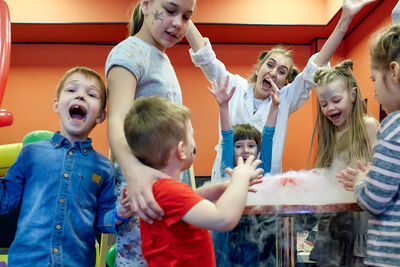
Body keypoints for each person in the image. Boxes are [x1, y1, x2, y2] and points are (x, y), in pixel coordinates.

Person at [185, 0, 377, 181]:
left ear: (285, 82)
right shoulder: (233, 85)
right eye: (270, 65)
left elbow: (315, 67)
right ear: (259, 67)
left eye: (282, 71)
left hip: (266, 187)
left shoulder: (285, 98)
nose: (273, 72)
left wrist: (346, 18)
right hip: (225, 182)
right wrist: (183, 16)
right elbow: (205, 57)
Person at [0, 66, 135, 266]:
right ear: (56, 104)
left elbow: (101, 219)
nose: (80, 96)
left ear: (100, 116)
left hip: (76, 261)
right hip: (26, 261)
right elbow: (5, 200)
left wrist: (120, 214)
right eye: (71, 90)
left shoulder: (104, 168)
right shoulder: (31, 154)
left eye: (91, 94)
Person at [105, 0, 196, 264]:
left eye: (187, 16)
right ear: (145, 4)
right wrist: (133, 173)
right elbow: (117, 121)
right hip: (142, 188)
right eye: (170, 11)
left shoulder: (160, 57)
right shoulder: (129, 53)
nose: (178, 23)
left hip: (167, 187)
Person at [123, 95, 263, 266]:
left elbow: (192, 197)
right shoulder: (169, 191)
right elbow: (223, 219)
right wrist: (241, 175)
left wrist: (229, 186)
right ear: (182, 150)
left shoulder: (158, 189)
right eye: (192, 135)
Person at [336, 24, 400, 267]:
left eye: (374, 80)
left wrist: (363, 181)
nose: (373, 91)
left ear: (393, 72)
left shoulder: (393, 126)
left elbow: (374, 199)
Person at [308, 60, 379, 266]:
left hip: (361, 226)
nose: (330, 108)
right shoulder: (329, 134)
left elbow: (382, 170)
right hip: (332, 227)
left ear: (353, 95)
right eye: (323, 104)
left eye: (336, 100)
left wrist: (365, 176)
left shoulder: (368, 126)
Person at [208, 75, 280, 266]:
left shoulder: (260, 168)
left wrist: (274, 107)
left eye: (251, 146)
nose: (246, 150)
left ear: (258, 150)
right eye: (239, 146)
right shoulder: (228, 169)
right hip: (227, 237)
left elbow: (268, 135)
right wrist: (223, 106)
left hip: (256, 236)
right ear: (232, 151)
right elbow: (226, 134)